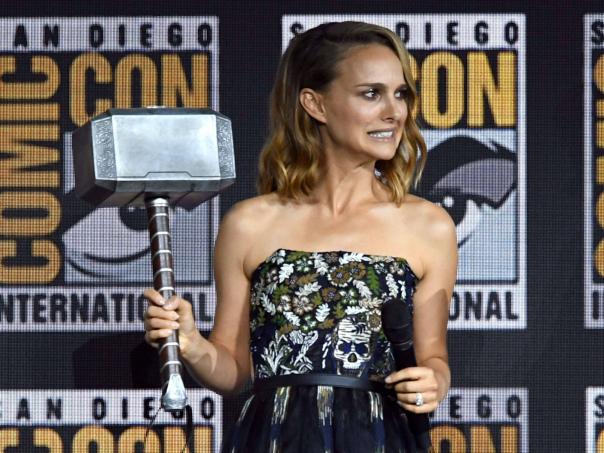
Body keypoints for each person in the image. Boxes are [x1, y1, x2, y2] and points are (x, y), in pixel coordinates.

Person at [144, 21, 457, 452]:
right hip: (274, 440)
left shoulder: (429, 226)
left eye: (400, 93)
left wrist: (433, 381)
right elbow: (235, 372)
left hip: (378, 440)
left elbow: (433, 356)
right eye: (372, 94)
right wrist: (191, 344)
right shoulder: (249, 224)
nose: (395, 112)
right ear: (315, 104)